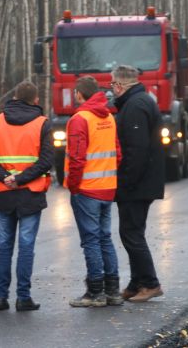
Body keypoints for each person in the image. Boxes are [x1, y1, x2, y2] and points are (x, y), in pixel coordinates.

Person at [0, 81, 53, 311]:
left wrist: (5, 177)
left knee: (4, 245)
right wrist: (21, 178)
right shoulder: (42, 124)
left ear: (14, 97)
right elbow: (46, 160)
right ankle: (23, 297)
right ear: (36, 100)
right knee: (26, 245)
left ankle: (1, 297)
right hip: (30, 193)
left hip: (4, 193)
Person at [64, 76, 123, 307]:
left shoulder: (80, 119)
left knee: (90, 241)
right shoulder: (108, 116)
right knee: (105, 238)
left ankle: (95, 293)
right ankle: (113, 291)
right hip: (107, 187)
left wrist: (74, 186)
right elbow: (117, 153)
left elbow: (77, 158)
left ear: (79, 94)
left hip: (87, 189)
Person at [110, 65, 166, 303]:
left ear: (120, 85)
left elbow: (137, 150)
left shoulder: (135, 106)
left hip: (138, 184)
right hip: (143, 182)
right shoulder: (139, 101)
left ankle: (151, 283)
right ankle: (136, 282)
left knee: (132, 234)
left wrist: (126, 183)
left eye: (112, 84)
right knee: (132, 232)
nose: (111, 89)